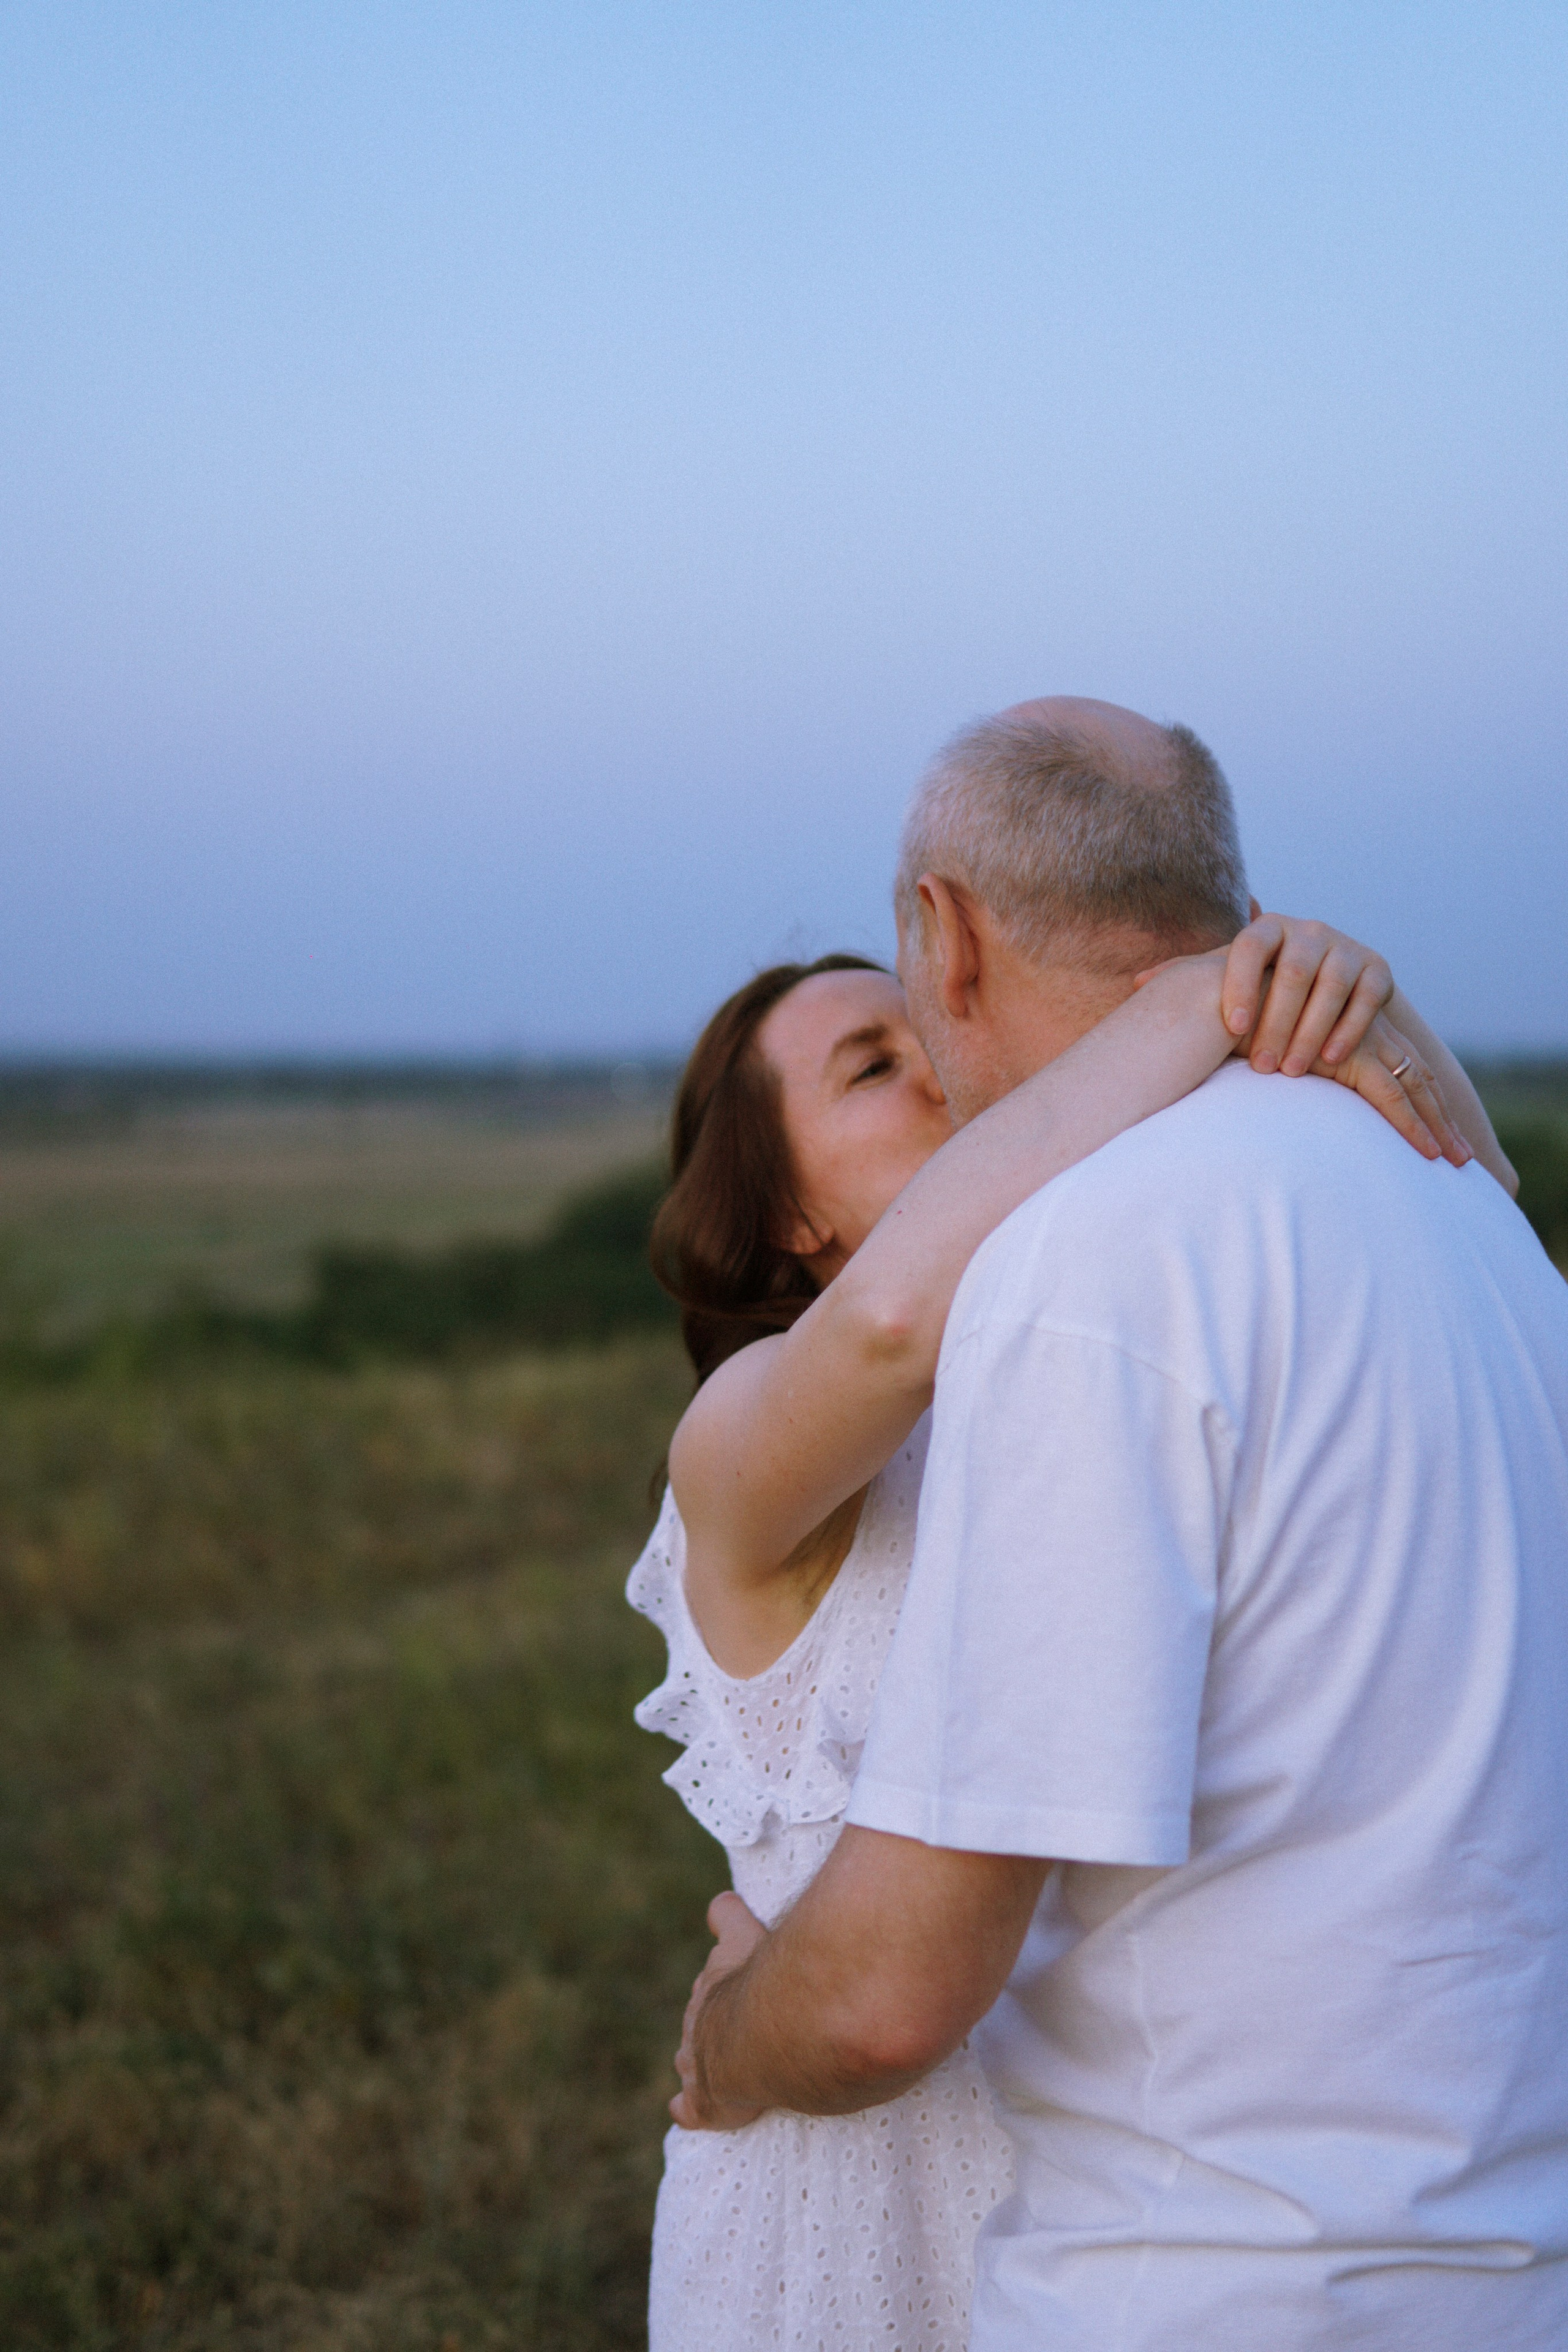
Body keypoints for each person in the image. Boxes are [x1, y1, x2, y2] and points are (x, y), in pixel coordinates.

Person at [671, 696, 1568, 2351]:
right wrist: (1216, 995)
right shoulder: (756, 1436)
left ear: (942, 939)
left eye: (910, 1034)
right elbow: (883, 1328)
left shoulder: (1084, 1309)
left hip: (1090, 2186)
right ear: (785, 1211)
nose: (946, 1084)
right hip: (857, 2160)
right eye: (874, 1076)